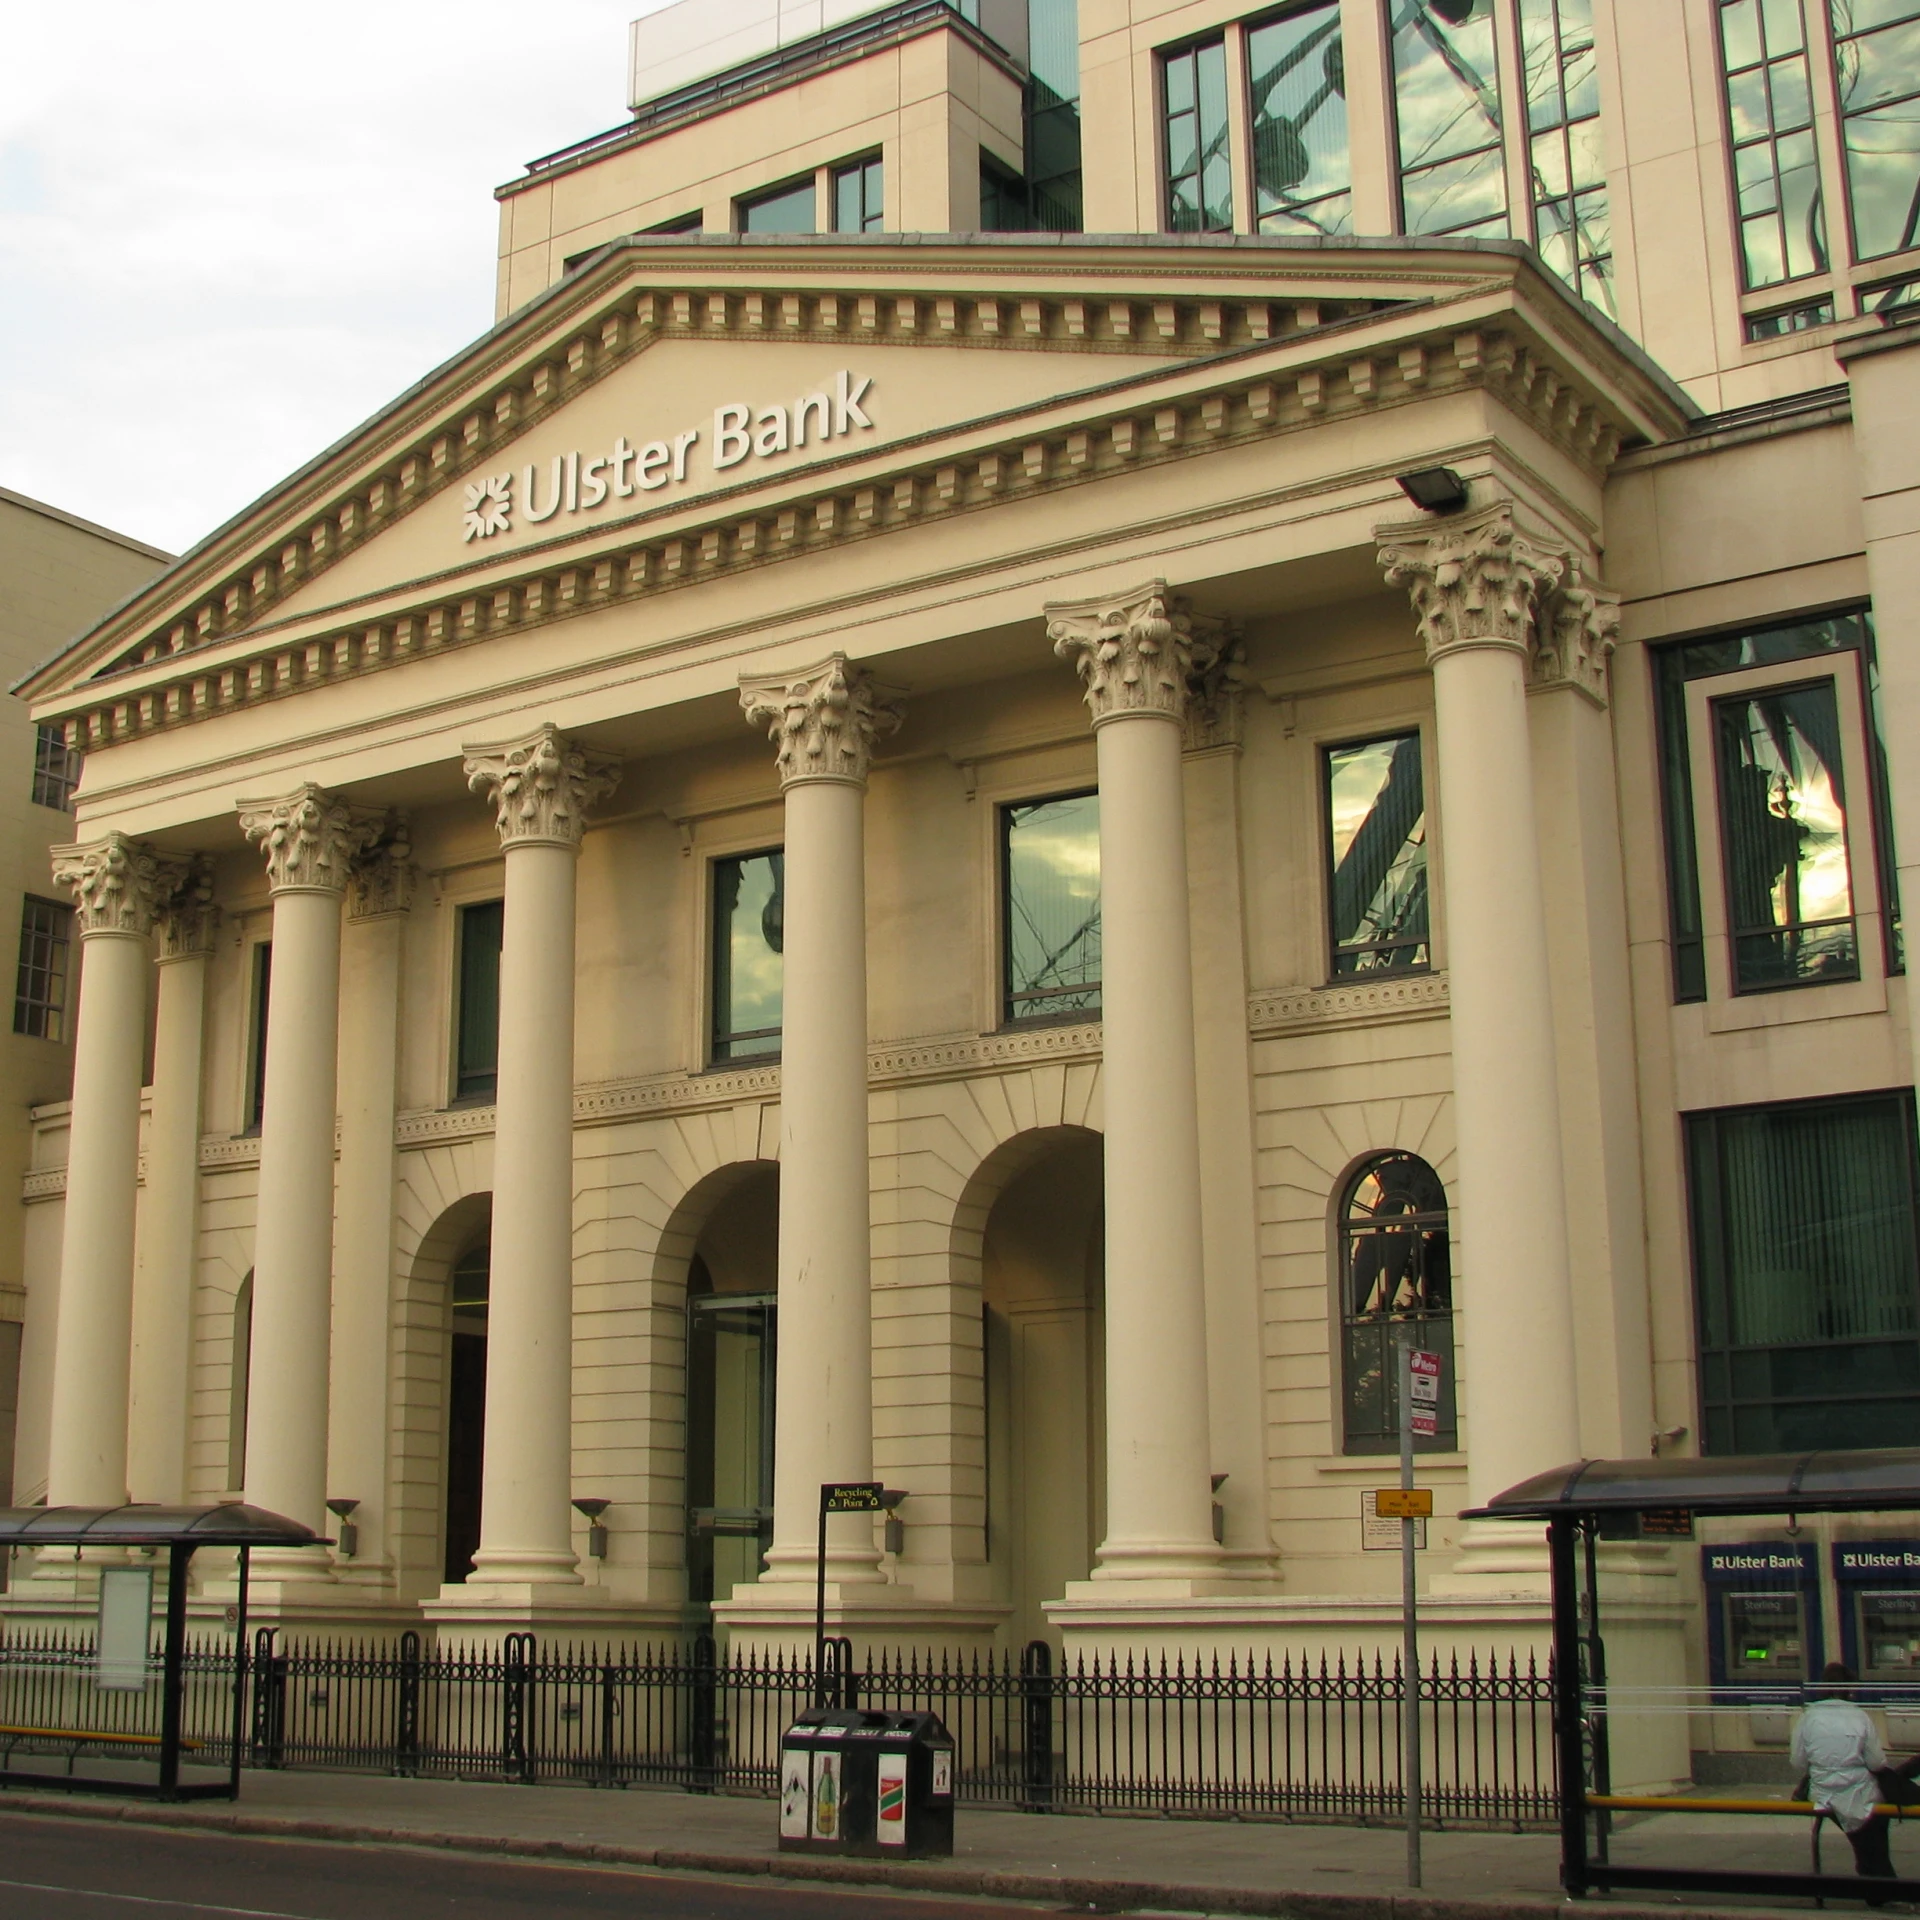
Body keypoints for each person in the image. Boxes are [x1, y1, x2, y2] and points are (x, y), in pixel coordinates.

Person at [1793, 1660, 1920, 1895]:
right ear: (1849, 1688)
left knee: (1869, 1831)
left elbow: (1798, 1761)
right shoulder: (1859, 1717)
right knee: (1880, 1816)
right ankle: (1880, 1888)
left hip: (1823, 1791)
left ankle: (1880, 1885)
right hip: (1858, 1791)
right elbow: (1877, 1763)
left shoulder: (1808, 1717)